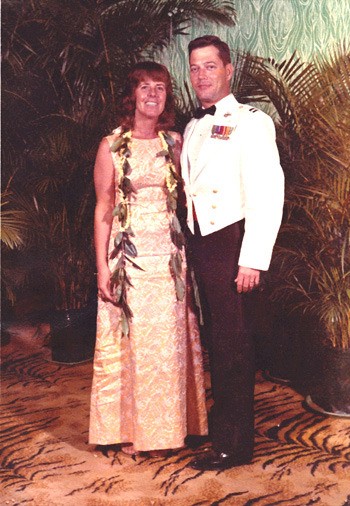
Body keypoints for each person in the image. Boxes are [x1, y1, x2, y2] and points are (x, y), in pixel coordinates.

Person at [89, 61, 208, 457]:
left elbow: (190, 198)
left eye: (160, 87)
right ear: (132, 96)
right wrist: (102, 268)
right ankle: (131, 430)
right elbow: (104, 208)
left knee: (168, 342)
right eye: (145, 88)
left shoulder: (173, 142)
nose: (153, 94)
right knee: (135, 343)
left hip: (170, 257)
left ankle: (171, 430)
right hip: (129, 258)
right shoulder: (111, 145)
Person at [180, 36, 285, 471]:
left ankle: (235, 445)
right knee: (216, 343)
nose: (201, 75)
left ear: (228, 70)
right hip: (200, 243)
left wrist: (252, 258)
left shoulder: (251, 121)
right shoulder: (191, 126)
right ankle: (221, 429)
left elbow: (268, 192)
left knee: (233, 347)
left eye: (209, 66)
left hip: (232, 243)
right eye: (194, 68)